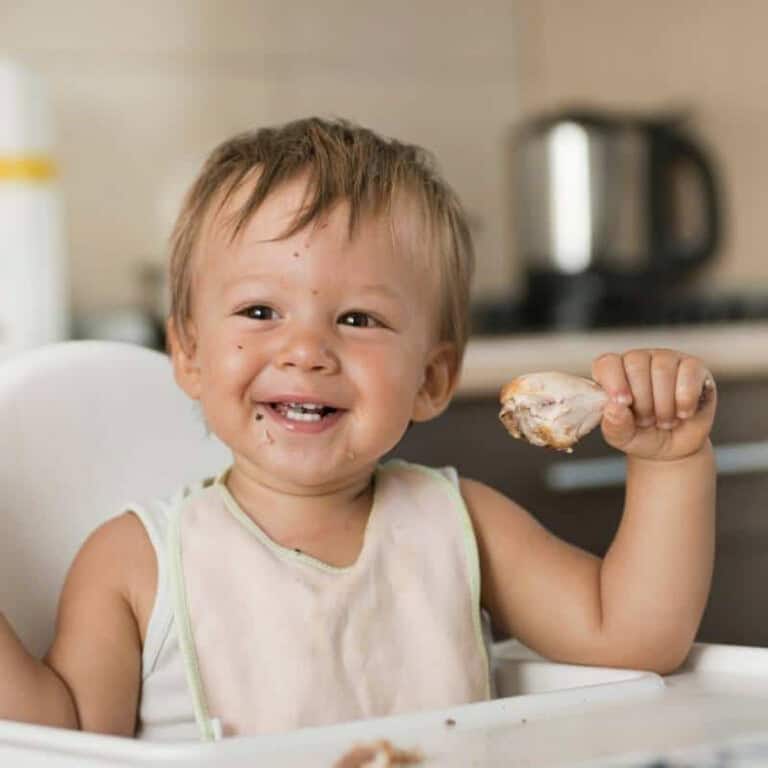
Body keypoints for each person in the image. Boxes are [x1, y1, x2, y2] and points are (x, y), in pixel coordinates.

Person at [0, 117, 717, 740]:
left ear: (432, 379)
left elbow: (635, 635)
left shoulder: (461, 525)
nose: (306, 350)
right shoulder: (133, 564)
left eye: (357, 320)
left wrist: (670, 462)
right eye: (259, 311)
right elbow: (59, 737)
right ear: (186, 354)